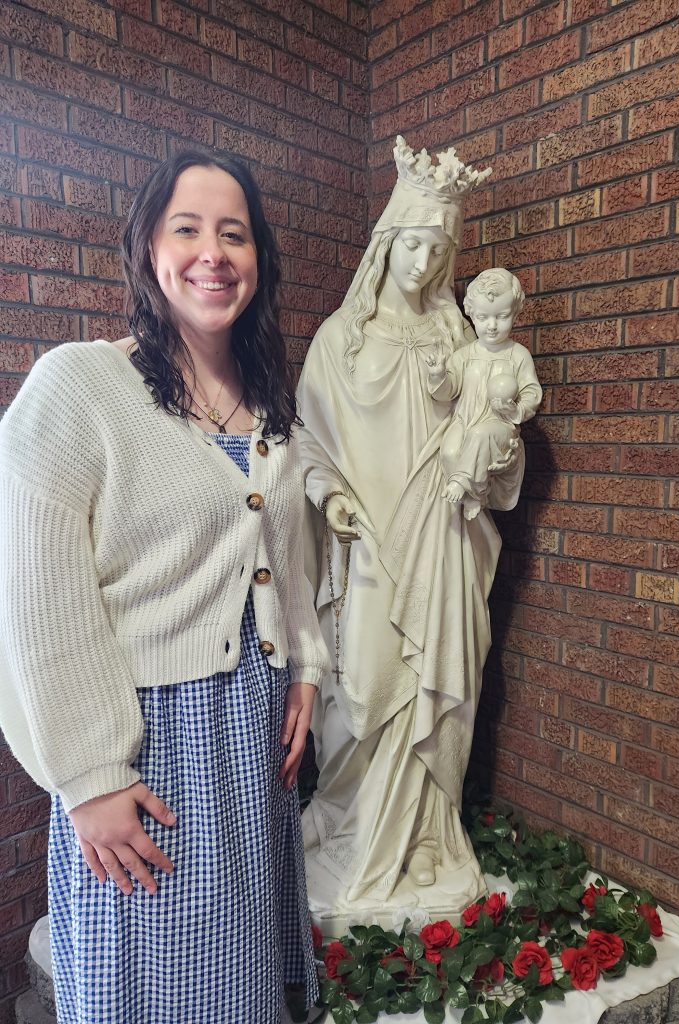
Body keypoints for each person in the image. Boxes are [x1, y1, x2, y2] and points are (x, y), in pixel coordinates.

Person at [0, 151, 328, 1024]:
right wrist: (91, 774)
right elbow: (38, 596)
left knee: (241, 970)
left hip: (253, 732)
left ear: (259, 259)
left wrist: (305, 667)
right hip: (147, 742)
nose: (212, 252)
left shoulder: (268, 406)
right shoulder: (80, 387)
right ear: (148, 248)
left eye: (235, 233)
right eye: (187, 229)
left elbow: (288, 553)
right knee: (147, 968)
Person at [297, 137, 511, 920]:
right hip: (367, 551)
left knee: (443, 691)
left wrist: (496, 449)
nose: (423, 263)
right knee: (360, 691)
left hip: (446, 544)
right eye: (412, 243)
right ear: (386, 244)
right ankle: (353, 823)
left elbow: (488, 429)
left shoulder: (461, 337)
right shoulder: (338, 340)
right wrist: (329, 499)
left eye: (438, 249)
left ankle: (422, 837)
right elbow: (306, 444)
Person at [427, 268, 542, 521]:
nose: (491, 326)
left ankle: (467, 488)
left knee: (481, 435)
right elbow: (448, 391)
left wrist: (516, 410)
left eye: (501, 316)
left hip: (499, 426)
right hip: (464, 419)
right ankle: (471, 492)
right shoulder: (465, 355)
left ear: (515, 313)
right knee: (448, 451)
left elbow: (531, 392)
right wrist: (438, 375)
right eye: (483, 317)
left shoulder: (517, 355)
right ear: (471, 314)